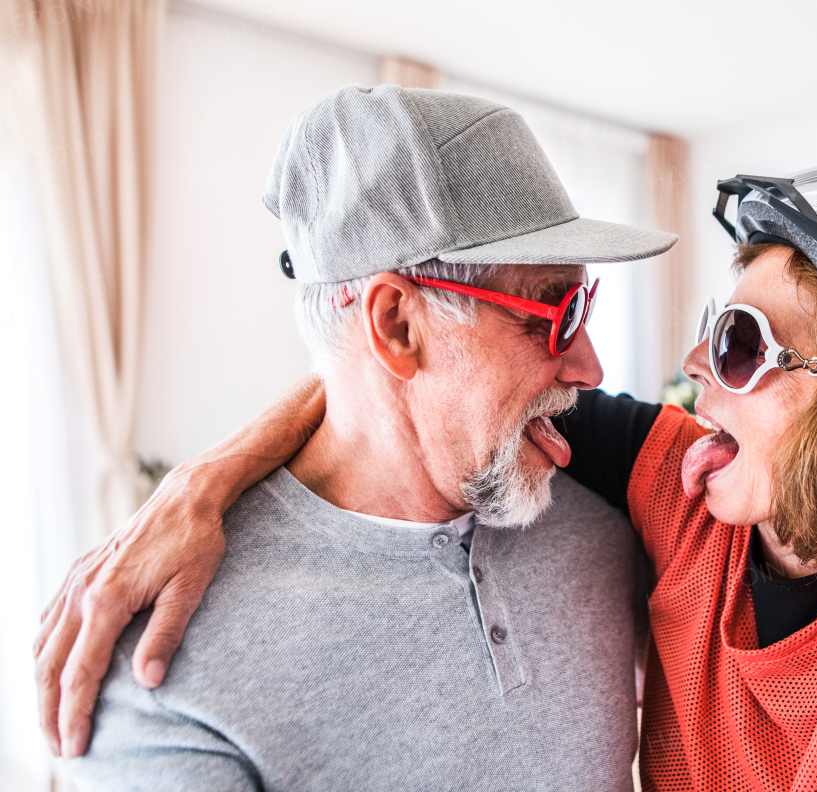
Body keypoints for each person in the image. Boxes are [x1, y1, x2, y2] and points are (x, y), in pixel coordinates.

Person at [39, 165, 817, 791]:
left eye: (741, 345)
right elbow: (391, 393)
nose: (690, 368)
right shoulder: (684, 494)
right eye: (710, 330)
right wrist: (201, 485)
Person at [54, 84, 676, 790]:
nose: (590, 366)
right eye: (553, 312)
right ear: (397, 326)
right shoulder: (165, 670)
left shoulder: (601, 518)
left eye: (585, 303)